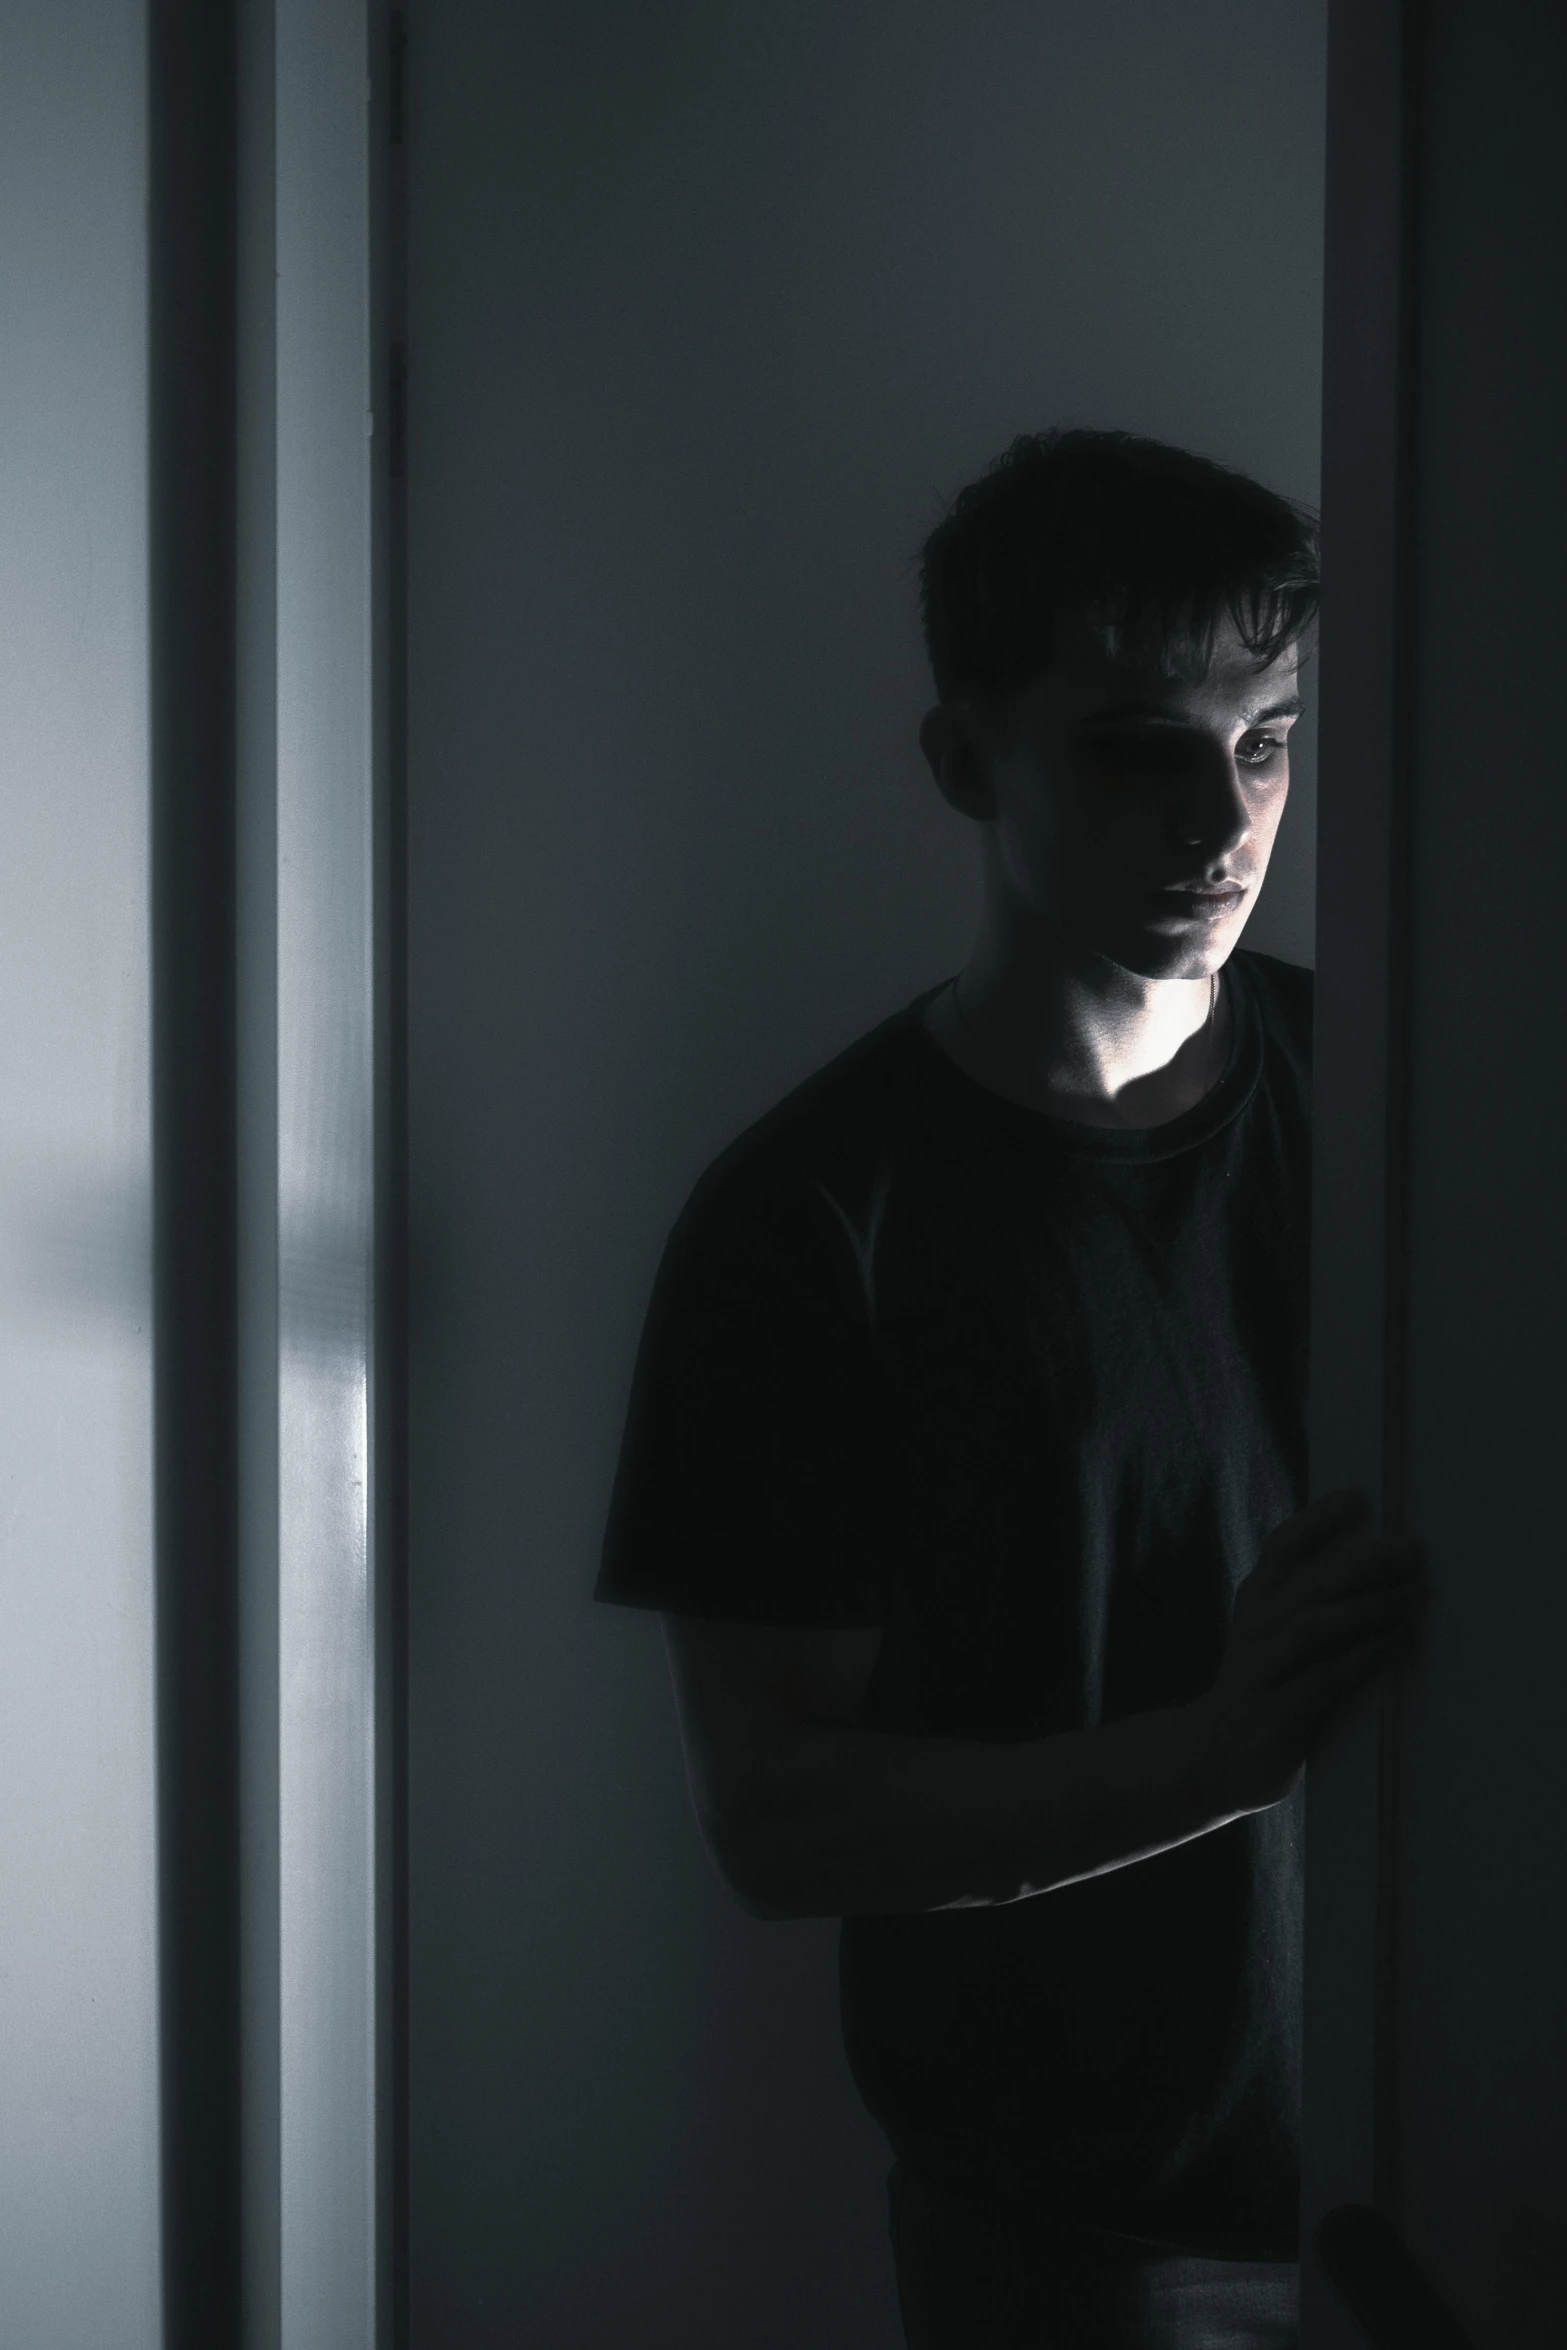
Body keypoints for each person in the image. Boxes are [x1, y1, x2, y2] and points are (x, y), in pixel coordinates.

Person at [594, 427, 1424, 2347]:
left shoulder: (1391, 1077)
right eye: (1137, 743)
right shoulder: (810, 1222)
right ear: (967, 763)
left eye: (1267, 737)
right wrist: (1209, 1761)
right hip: (1088, 2244)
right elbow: (778, 1818)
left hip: (1443, 2180)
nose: (1221, 821)